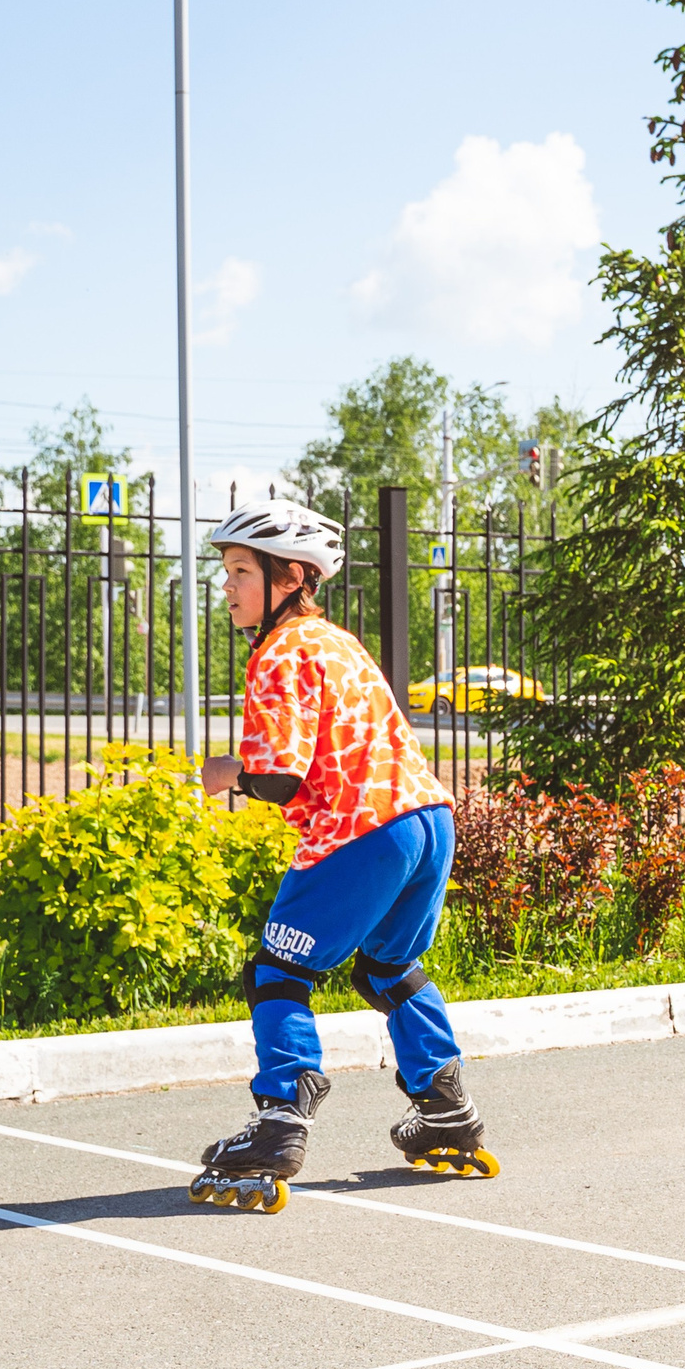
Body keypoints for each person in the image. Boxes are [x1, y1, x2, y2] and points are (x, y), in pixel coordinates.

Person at [188, 502, 494, 1214]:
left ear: (290, 576)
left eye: (239, 572)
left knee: (278, 969)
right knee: (389, 967)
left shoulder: (278, 654)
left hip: (360, 831)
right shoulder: (337, 641)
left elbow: (281, 773)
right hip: (426, 820)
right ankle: (446, 1106)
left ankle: (279, 1121)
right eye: (226, 571)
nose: (227, 587)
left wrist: (227, 771)